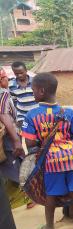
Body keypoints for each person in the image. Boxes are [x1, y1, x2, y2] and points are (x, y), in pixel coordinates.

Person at [21, 73, 73, 229]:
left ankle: (50, 227)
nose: (33, 93)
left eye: (34, 90)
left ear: (42, 91)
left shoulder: (32, 116)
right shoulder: (69, 113)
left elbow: (29, 144)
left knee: (50, 194)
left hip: (51, 162)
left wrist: (41, 139)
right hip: (72, 160)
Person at [0, 68, 31, 209]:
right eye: (6, 77)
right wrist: (16, 140)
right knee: (16, 166)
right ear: (2, 80)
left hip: (8, 135)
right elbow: (4, 116)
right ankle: (29, 197)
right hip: (8, 137)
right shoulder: (3, 94)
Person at [9, 61, 38, 127]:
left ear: (26, 70)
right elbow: (14, 101)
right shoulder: (11, 85)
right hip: (22, 115)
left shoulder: (35, 81)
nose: (19, 75)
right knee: (25, 132)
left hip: (37, 113)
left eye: (21, 73)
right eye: (16, 74)